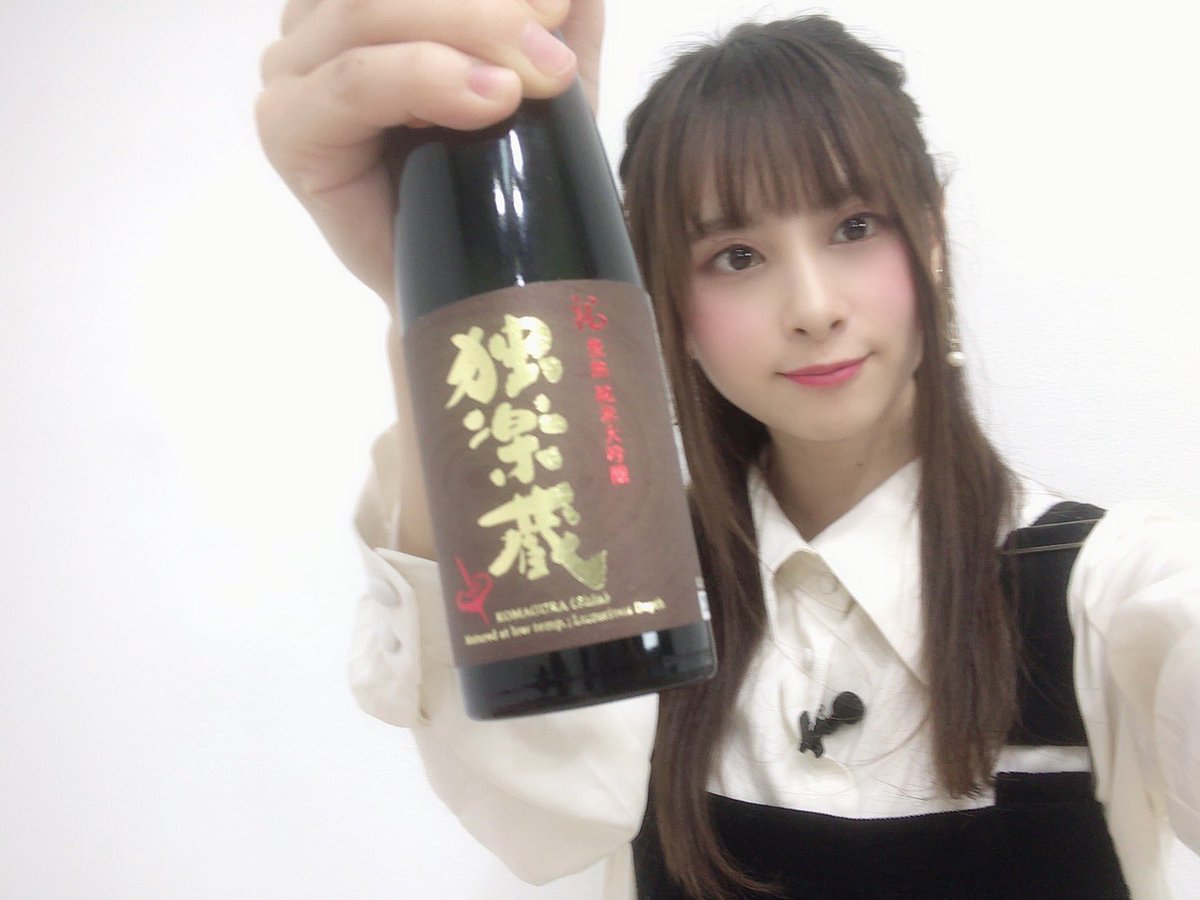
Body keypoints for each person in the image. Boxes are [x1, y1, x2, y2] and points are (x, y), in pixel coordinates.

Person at [256, 2, 1200, 897]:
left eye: (855, 227)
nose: (814, 307)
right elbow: (546, 822)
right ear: (665, 299)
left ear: (933, 237)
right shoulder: (631, 599)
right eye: (735, 257)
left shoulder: (1109, 588)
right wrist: (439, 295)